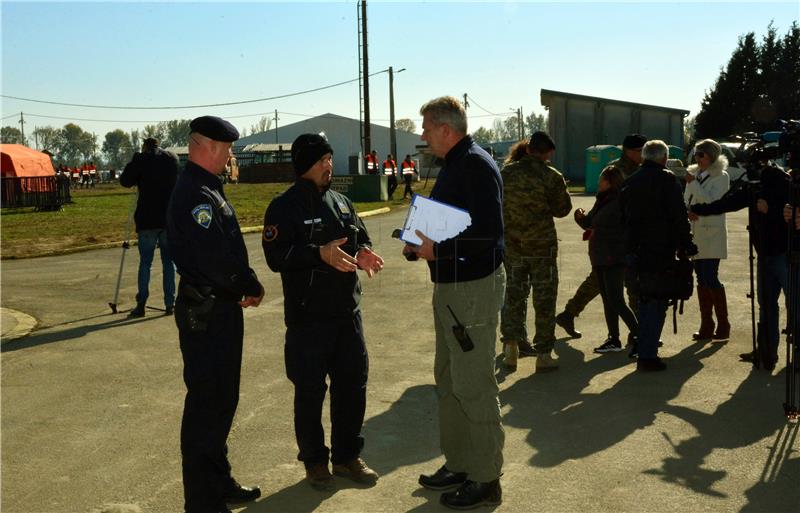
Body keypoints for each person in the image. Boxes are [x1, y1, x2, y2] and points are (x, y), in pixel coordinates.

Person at [262, 133, 384, 491]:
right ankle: (315, 461)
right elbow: (275, 257)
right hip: (308, 318)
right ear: (305, 166)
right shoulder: (284, 207)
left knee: (352, 386)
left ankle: (347, 457)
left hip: (347, 315)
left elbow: (359, 237)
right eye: (321, 160)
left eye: (330, 158)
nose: (328, 165)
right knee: (310, 391)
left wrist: (364, 253)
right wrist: (318, 253)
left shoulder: (343, 202)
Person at [405, 96, 505, 509]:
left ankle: (486, 477)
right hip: (451, 287)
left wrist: (437, 252)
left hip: (472, 290)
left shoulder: (476, 165)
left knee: (473, 382)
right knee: (448, 379)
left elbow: (488, 233)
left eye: (426, 127)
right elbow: (448, 219)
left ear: (447, 130)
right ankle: (461, 461)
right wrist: (416, 240)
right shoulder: (455, 164)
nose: (423, 134)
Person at [166, 116, 265, 513]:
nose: (230, 155)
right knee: (208, 405)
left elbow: (227, 250)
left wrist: (244, 281)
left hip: (219, 309)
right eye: (225, 148)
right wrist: (247, 285)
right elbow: (213, 261)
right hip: (206, 312)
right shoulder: (193, 193)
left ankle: (219, 482)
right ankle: (202, 502)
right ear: (203, 146)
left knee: (222, 402)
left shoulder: (208, 187)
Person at [691, 163, 792, 370]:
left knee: (786, 306)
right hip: (766, 255)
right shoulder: (756, 190)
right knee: (766, 305)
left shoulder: (788, 190)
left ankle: (775, 353)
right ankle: (766, 351)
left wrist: (769, 209)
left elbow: (788, 218)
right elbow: (726, 204)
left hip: (785, 256)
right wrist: (696, 209)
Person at [556, 134, 647, 339]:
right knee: (622, 283)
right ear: (629, 151)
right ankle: (640, 331)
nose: (643, 155)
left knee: (607, 282)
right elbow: (605, 203)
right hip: (617, 241)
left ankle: (569, 315)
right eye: (640, 151)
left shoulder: (639, 169)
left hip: (620, 240)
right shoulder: (618, 171)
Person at [620, 140, 695, 372]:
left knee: (644, 300)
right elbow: (678, 215)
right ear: (663, 158)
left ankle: (644, 347)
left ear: (644, 157)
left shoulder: (631, 181)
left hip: (635, 250)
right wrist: (686, 243)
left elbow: (623, 215)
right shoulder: (667, 179)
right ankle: (648, 354)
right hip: (660, 249)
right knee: (657, 301)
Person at [500, 131, 572, 371]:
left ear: (528, 149)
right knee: (544, 299)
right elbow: (562, 210)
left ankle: (511, 347)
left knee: (513, 296)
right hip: (542, 248)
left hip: (513, 246)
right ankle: (543, 354)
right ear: (548, 152)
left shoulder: (505, 174)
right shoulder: (552, 176)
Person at [574, 166, 638, 353]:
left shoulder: (618, 202)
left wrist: (595, 228)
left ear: (610, 182)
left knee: (616, 300)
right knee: (608, 300)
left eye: (601, 179)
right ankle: (614, 339)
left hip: (613, 256)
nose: (598, 182)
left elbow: (613, 228)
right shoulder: (602, 200)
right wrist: (580, 217)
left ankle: (640, 335)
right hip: (600, 256)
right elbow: (590, 222)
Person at [120, 137, 179, 318]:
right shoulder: (172, 158)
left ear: (145, 146)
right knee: (168, 263)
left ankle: (142, 303)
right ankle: (170, 303)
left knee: (146, 262)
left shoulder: (141, 159)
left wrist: (135, 162)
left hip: (147, 219)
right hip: (167, 219)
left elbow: (125, 181)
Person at [684, 139, 731, 341]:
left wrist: (693, 183)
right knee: (701, 278)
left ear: (711, 156)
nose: (698, 158)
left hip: (712, 233)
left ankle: (723, 323)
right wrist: (688, 211)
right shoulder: (694, 174)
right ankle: (706, 323)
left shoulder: (721, 176)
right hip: (696, 233)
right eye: (696, 154)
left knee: (710, 277)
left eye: (702, 155)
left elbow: (713, 202)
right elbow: (687, 199)